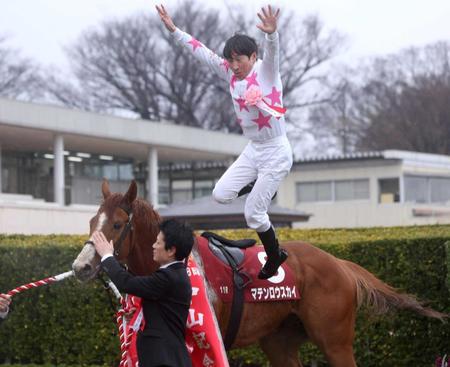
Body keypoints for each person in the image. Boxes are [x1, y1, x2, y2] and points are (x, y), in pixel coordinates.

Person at [156, 4, 293, 279]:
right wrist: (174, 31)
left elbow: (273, 52)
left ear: (253, 57)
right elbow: (201, 52)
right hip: (254, 150)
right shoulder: (230, 74)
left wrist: (272, 34)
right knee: (220, 195)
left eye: (239, 59)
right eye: (230, 60)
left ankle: (275, 254)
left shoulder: (267, 71)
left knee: (253, 213)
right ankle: (257, 184)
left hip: (276, 150)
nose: (234, 66)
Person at [93, 219, 194, 367]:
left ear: (171, 250)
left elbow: (125, 283)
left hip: (164, 361)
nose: (153, 246)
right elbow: (161, 311)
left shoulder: (168, 278)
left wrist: (107, 256)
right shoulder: (173, 275)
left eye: (158, 243)